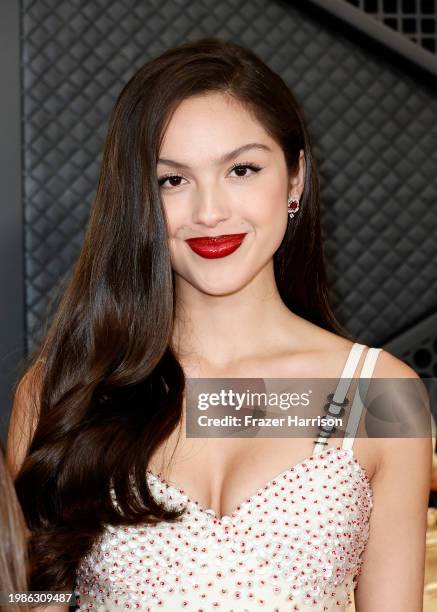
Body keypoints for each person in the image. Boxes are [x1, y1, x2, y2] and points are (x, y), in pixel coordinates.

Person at [6, 37, 432, 611]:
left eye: (242, 169)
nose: (209, 212)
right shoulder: (61, 394)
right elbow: (30, 598)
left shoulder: (378, 396)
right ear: (137, 199)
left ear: (296, 178)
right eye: (172, 180)